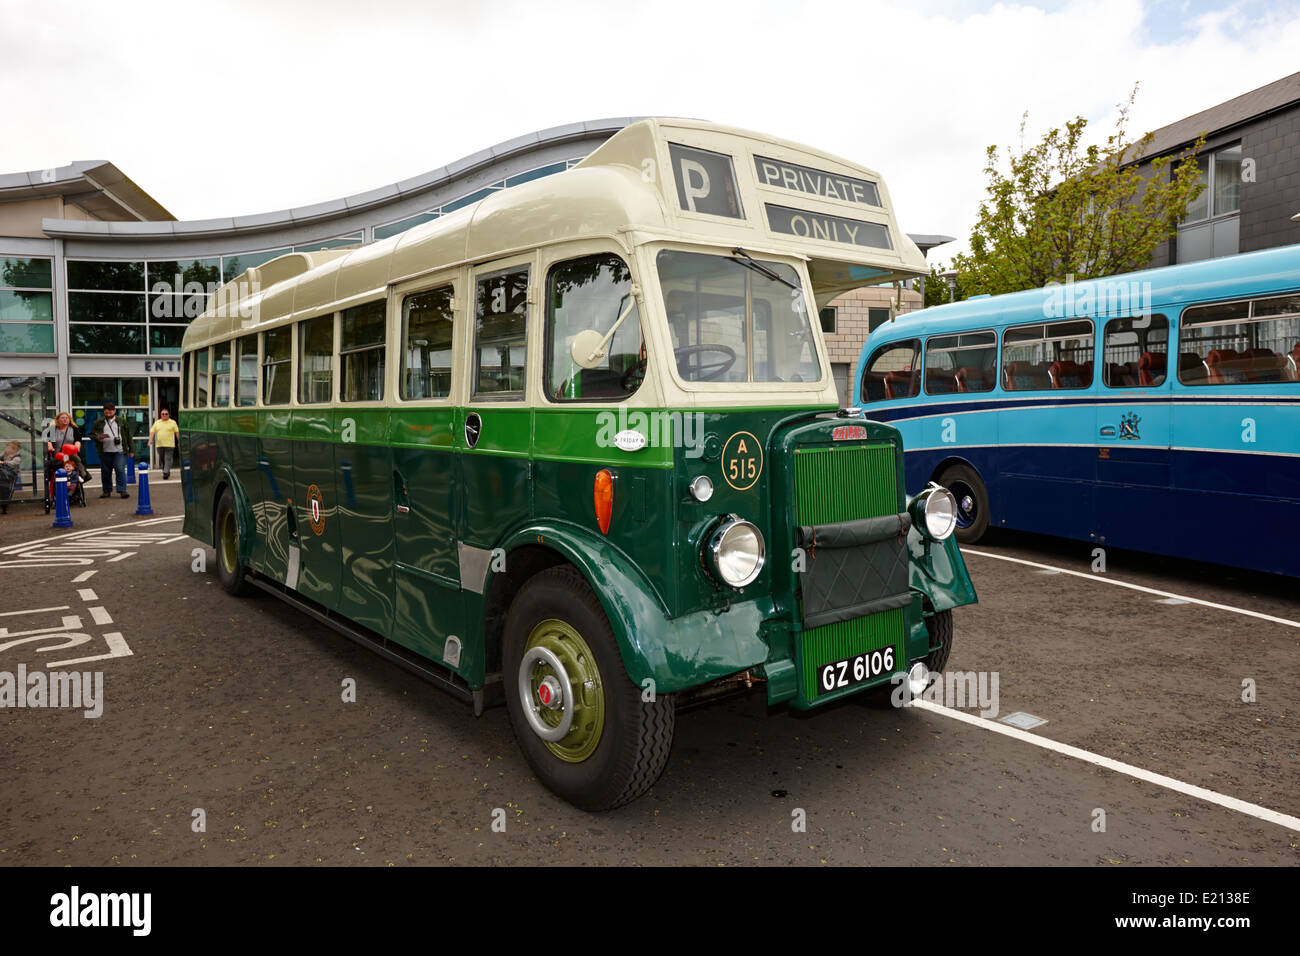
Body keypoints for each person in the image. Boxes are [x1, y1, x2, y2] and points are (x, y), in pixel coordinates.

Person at [88, 401, 132, 499]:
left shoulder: (121, 421)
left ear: (114, 411)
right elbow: (91, 434)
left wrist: (131, 450)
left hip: (119, 451)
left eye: (110, 413)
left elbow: (128, 436)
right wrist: (97, 438)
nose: (108, 414)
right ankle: (106, 491)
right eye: (106, 413)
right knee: (106, 472)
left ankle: (122, 490)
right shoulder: (99, 422)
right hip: (105, 451)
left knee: (120, 469)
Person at [44, 411, 87, 480]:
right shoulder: (53, 430)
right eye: (62, 418)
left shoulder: (74, 429)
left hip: (70, 456)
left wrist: (76, 447)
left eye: (67, 418)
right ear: (57, 420)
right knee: (58, 475)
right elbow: (48, 441)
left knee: (76, 463)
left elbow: (78, 440)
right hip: (57, 456)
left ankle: (82, 473)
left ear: (70, 420)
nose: (65, 419)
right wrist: (49, 446)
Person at [148, 408, 180, 479]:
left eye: (166, 414)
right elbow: (152, 432)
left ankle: (165, 472)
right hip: (159, 445)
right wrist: (150, 440)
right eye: (163, 414)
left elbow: (177, 433)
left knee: (167, 458)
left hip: (170, 445)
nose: (164, 415)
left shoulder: (173, 422)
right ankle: (166, 470)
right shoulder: (157, 422)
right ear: (160, 415)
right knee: (162, 459)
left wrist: (179, 441)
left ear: (169, 415)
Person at [0, 440, 20, 515]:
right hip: (3, 476)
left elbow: (13, 463)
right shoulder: (5, 454)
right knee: (2, 491)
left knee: (7, 492)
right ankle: (3, 505)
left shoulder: (17, 457)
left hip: (11, 477)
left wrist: (4, 462)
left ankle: (5, 506)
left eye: (8, 448)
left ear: (14, 449)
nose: (6, 449)